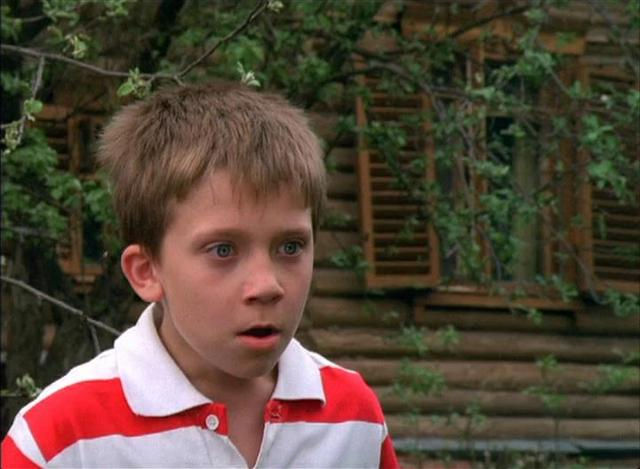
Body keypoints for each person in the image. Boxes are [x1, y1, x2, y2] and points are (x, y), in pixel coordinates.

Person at [2, 82, 399, 468]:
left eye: (290, 247)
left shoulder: (354, 419)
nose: (267, 286)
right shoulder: (59, 440)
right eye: (223, 250)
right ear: (147, 272)